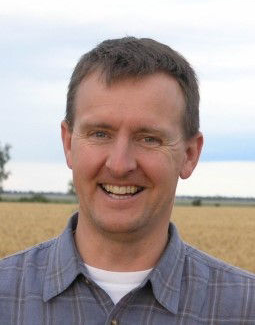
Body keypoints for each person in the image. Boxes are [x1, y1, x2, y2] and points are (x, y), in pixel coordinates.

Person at [0, 37, 254, 324]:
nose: (120, 165)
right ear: (68, 144)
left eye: (149, 138)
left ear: (190, 154)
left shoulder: (246, 308)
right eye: (100, 134)